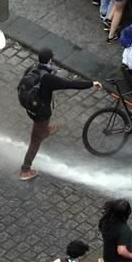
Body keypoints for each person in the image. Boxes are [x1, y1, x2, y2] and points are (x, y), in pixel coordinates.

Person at [20, 48, 102, 180]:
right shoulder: (48, 78)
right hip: (40, 113)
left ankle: (45, 130)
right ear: (50, 60)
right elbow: (69, 84)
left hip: (30, 107)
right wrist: (91, 84)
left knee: (41, 128)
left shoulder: (31, 69)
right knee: (35, 141)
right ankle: (25, 169)